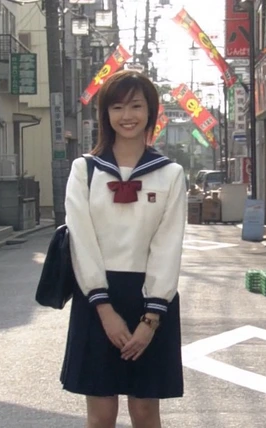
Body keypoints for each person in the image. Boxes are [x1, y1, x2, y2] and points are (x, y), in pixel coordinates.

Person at [60, 69, 187, 428]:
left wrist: (150, 320)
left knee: (145, 412)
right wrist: (104, 309)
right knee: (101, 415)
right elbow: (81, 241)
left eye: (136, 106)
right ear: (105, 114)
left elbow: (168, 246)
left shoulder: (170, 174)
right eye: (117, 107)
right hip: (96, 298)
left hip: (151, 299)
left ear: (151, 111)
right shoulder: (85, 170)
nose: (127, 115)